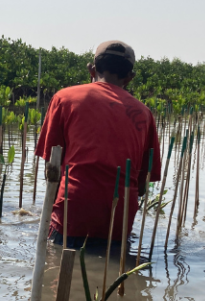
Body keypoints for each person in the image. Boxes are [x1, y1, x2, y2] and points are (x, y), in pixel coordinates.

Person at [35, 40, 161, 247]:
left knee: (57, 270)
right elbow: (142, 184)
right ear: (130, 77)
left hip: (72, 209)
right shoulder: (144, 114)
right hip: (119, 216)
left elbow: (52, 167)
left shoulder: (64, 98)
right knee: (112, 272)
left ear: (91, 69)